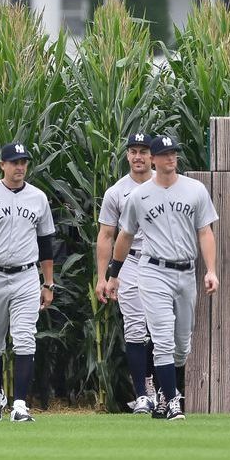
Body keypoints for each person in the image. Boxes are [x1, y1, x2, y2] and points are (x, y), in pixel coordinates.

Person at [106, 134, 218, 421]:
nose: (171, 158)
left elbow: (205, 232)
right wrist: (113, 274)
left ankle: (167, 395)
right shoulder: (139, 196)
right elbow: (124, 236)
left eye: (173, 153)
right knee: (162, 338)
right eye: (165, 154)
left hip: (186, 271)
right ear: (154, 159)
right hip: (153, 270)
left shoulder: (195, 189)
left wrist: (211, 270)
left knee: (182, 345)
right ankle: (172, 401)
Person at [0, 142, 56, 422]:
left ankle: (19, 405)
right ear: (2, 165)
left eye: (23, 162)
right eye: (14, 162)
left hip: (26, 276)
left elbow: (46, 243)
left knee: (25, 338)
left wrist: (48, 283)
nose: (19, 167)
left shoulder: (38, 197)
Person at [94, 133, 163, 416]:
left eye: (143, 151)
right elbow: (106, 235)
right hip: (130, 261)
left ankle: (162, 390)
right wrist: (103, 277)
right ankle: (143, 394)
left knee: (161, 328)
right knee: (135, 328)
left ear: (152, 156)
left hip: (162, 261)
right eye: (133, 151)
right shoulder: (117, 191)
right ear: (127, 155)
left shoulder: (167, 183)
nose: (138, 157)